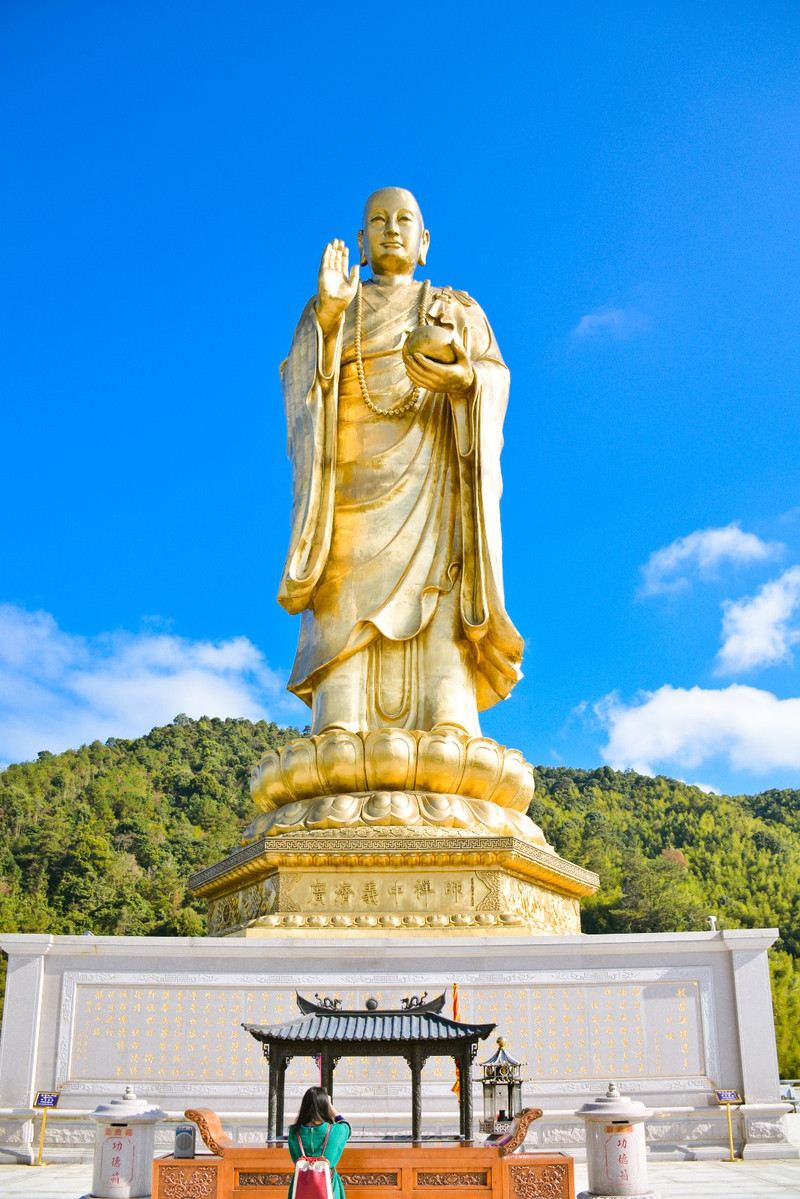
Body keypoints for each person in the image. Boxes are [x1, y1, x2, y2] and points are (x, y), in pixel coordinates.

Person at [278, 187, 523, 737]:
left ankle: (449, 717)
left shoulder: (455, 309)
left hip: (434, 477)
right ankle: (339, 720)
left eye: (405, 220)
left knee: (442, 586)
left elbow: (496, 377)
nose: (392, 229)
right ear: (361, 242)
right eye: (378, 222)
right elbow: (298, 386)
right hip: (348, 489)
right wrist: (327, 315)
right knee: (344, 587)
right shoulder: (334, 309)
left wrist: (466, 383)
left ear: (424, 241)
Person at [288, 1086, 350, 1199]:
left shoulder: (293, 1132)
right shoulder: (335, 1131)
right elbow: (346, 1125)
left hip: (301, 1188)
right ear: (324, 1107)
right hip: (329, 1186)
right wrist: (330, 1107)